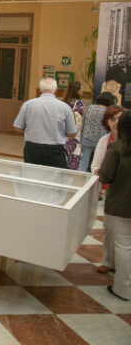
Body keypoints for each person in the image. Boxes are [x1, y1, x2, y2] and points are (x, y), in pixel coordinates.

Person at [98, 110, 131, 301]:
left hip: (121, 203)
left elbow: (106, 175)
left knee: (124, 245)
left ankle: (123, 288)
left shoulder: (118, 146)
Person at [13, 78, 77, 168]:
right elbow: (72, 133)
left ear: (40, 90)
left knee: (31, 174)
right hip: (55, 150)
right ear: (56, 90)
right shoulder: (65, 107)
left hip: (32, 148)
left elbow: (17, 127)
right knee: (54, 175)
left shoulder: (28, 104)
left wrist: (30, 129)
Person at [92, 105, 124, 274]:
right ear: (107, 123)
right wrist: (103, 174)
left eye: (120, 119)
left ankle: (123, 265)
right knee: (109, 228)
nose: (116, 122)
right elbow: (96, 166)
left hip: (126, 191)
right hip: (110, 192)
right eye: (112, 119)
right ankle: (109, 261)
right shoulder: (104, 141)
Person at [79, 92, 118, 172]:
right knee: (99, 163)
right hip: (101, 140)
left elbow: (83, 123)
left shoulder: (89, 108)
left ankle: (80, 177)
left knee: (83, 162)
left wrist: (81, 137)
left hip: (86, 139)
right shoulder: (107, 112)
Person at [62, 81, 86, 170]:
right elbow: (84, 118)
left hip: (63, 134)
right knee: (74, 157)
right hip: (75, 135)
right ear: (77, 90)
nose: (83, 90)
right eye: (81, 88)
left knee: (65, 156)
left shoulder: (63, 102)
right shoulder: (80, 104)